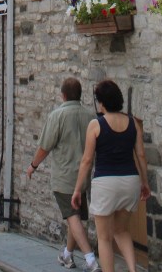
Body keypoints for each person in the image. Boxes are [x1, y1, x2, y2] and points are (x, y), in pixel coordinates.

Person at [71, 80, 150, 272]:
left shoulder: (96, 124)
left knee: (104, 238)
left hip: (105, 183)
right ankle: (133, 269)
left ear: (102, 103)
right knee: (121, 230)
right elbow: (140, 155)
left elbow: (87, 160)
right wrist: (145, 183)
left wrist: (77, 189)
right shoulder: (133, 123)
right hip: (130, 181)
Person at [27, 77, 100, 271]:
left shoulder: (57, 116)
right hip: (83, 177)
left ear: (63, 95)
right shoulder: (89, 116)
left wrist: (33, 166)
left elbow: (45, 146)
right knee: (73, 215)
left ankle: (90, 259)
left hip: (64, 176)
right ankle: (67, 255)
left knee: (71, 217)